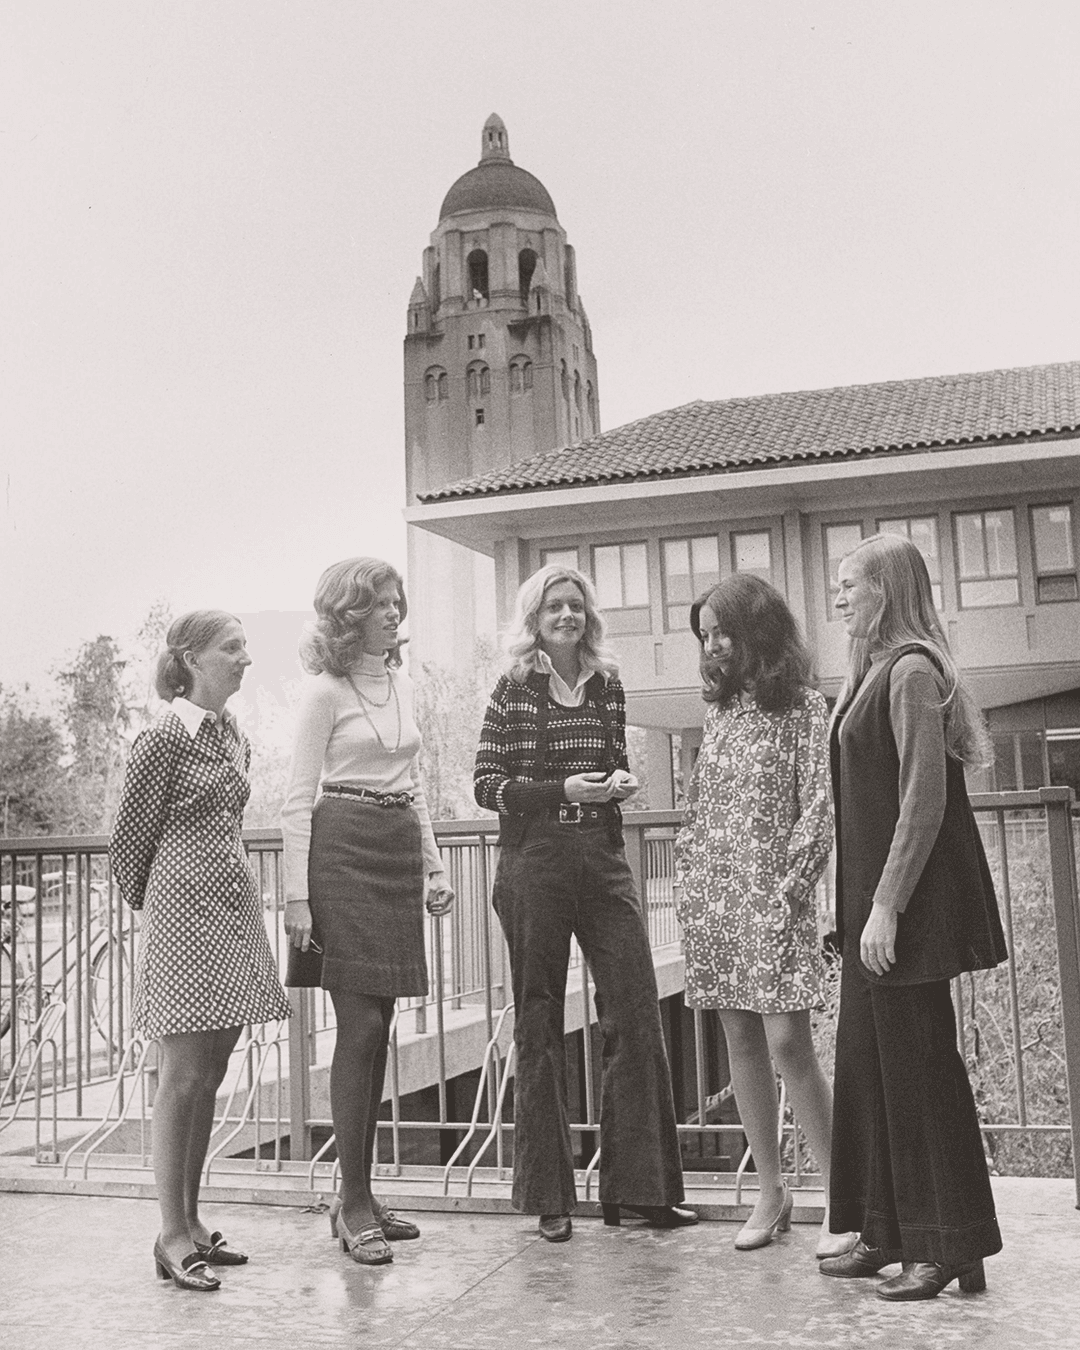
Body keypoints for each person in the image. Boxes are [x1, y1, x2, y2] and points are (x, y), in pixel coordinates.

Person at [474, 563, 696, 1243]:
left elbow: (612, 760)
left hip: (602, 858)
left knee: (634, 1010)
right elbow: (487, 785)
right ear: (533, 619)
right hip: (534, 859)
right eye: (553, 607)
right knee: (538, 1021)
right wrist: (561, 793)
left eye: (575, 606)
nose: (566, 616)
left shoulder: (608, 685)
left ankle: (642, 1191)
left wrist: (618, 784)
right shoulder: (513, 689)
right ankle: (549, 1198)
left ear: (588, 616)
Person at [822, 532, 1007, 1300]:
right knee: (872, 1072)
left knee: (922, 1075)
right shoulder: (870, 672)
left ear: (887, 592)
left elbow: (923, 802)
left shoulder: (910, 673)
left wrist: (886, 909)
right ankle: (887, 1232)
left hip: (905, 913)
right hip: (873, 912)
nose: (837, 597)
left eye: (850, 585)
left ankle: (945, 1245)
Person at [111, 610, 291, 1292]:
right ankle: (168, 1234)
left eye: (245, 646)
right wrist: (158, 910)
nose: (245, 657)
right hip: (183, 911)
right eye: (232, 647)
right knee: (182, 1075)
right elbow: (129, 841)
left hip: (230, 904)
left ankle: (191, 1221)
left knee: (212, 1072)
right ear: (191, 658)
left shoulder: (231, 733)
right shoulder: (162, 739)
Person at [674, 574, 853, 1257]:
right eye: (707, 635)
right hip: (714, 898)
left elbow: (822, 803)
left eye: (723, 631)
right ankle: (770, 1191)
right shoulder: (718, 713)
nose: (713, 645)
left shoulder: (807, 708)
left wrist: (794, 884)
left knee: (788, 1044)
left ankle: (843, 1194)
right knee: (740, 1042)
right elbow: (702, 806)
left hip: (773, 896)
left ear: (758, 632)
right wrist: (692, 867)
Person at [281, 557, 454, 1267]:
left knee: (380, 1031)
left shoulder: (401, 684)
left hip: (393, 847)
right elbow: (296, 799)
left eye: (397, 601)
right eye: (380, 603)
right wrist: (297, 896)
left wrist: (434, 866)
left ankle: (363, 1190)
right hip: (342, 852)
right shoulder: (323, 692)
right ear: (349, 614)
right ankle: (350, 1202)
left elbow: (412, 783)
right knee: (363, 1025)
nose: (393, 612)